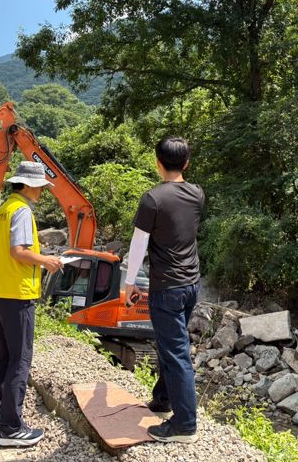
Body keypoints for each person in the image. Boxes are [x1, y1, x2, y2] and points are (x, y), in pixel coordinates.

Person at [124, 136, 204, 443]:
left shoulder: (153, 199)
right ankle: (163, 399)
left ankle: (185, 425)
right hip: (191, 285)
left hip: (167, 287)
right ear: (186, 163)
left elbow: (139, 244)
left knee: (176, 352)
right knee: (171, 345)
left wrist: (129, 283)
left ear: (158, 162)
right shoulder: (197, 194)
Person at [0, 161, 63, 447]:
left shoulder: (3, 210)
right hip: (18, 295)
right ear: (28, 185)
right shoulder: (22, 211)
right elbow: (19, 251)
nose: (42, 191)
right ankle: (11, 428)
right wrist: (48, 261)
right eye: (40, 186)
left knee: (2, 357)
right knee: (20, 359)